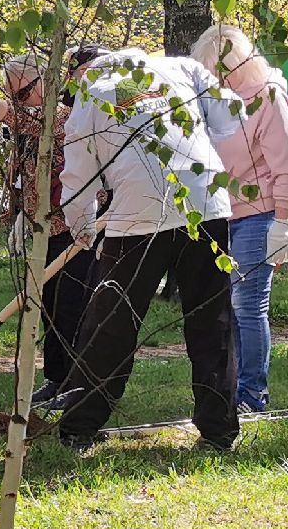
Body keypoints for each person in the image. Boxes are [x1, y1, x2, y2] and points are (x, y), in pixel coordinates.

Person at [52, 47, 245, 453]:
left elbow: (78, 176)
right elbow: (231, 114)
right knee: (213, 320)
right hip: (206, 205)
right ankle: (220, 430)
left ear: (82, 71)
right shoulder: (179, 68)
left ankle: (80, 426)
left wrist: (81, 227)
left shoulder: (91, 92)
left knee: (111, 321)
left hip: (138, 217)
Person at [0, 55, 91, 405]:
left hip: (74, 227)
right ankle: (55, 378)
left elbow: (37, 125)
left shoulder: (66, 116)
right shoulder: (31, 124)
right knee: (47, 306)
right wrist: (22, 213)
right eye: (13, 97)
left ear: (45, 84)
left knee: (70, 307)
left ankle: (76, 384)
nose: (20, 104)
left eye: (22, 94)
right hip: (42, 228)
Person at [192, 24, 288, 413]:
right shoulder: (212, 103)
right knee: (225, 307)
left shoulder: (268, 98)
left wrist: (282, 223)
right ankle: (231, 389)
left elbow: (287, 165)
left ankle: (253, 394)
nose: (218, 79)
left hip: (260, 215)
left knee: (247, 305)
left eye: (223, 70)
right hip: (219, 215)